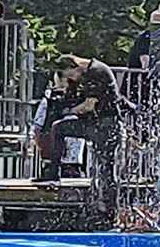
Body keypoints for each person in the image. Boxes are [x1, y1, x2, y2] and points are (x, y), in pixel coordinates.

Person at [53, 53, 134, 219]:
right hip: (96, 125)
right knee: (59, 129)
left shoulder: (96, 71)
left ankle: (109, 209)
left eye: (71, 74)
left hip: (106, 127)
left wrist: (69, 111)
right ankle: (54, 169)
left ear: (77, 66)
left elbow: (90, 104)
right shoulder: (88, 73)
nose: (73, 78)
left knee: (106, 168)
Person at [30, 70, 86, 181]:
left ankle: (53, 170)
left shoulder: (49, 96)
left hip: (52, 140)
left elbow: (39, 119)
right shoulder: (79, 97)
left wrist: (36, 134)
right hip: (73, 153)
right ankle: (70, 169)